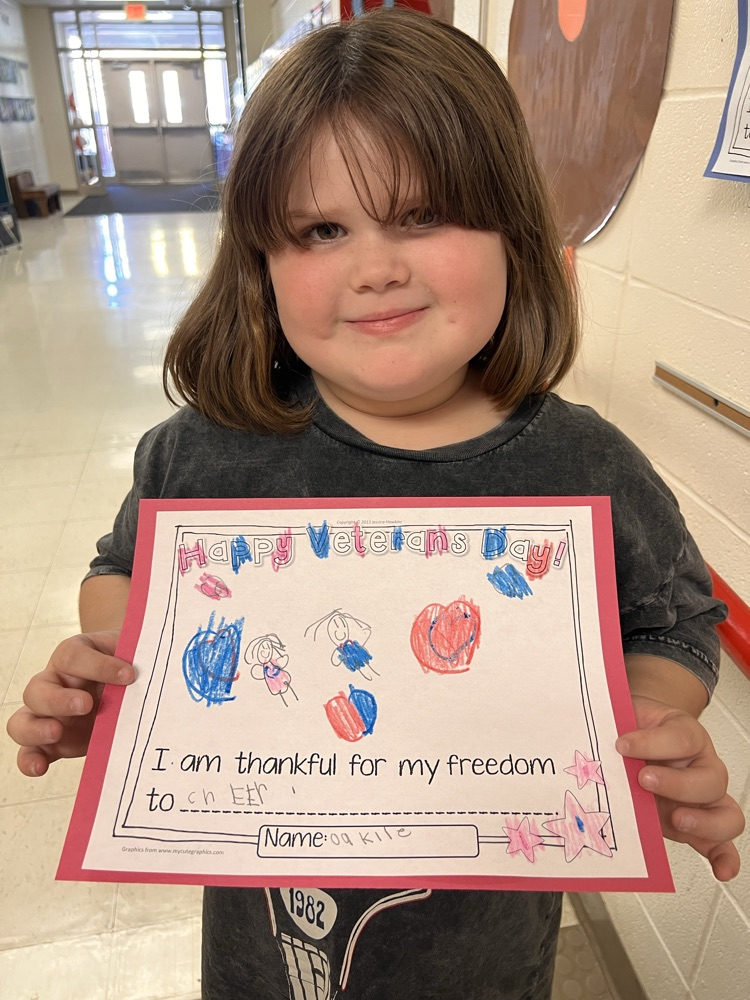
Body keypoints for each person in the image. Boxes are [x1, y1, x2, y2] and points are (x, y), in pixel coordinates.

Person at [6, 10, 744, 1000]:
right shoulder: (204, 450)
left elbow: (677, 614)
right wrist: (127, 680)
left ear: (512, 232)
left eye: (423, 216)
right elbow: (122, 570)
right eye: (320, 230)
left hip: (484, 963)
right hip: (260, 961)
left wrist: (644, 723)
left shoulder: (587, 465)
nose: (375, 267)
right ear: (261, 261)